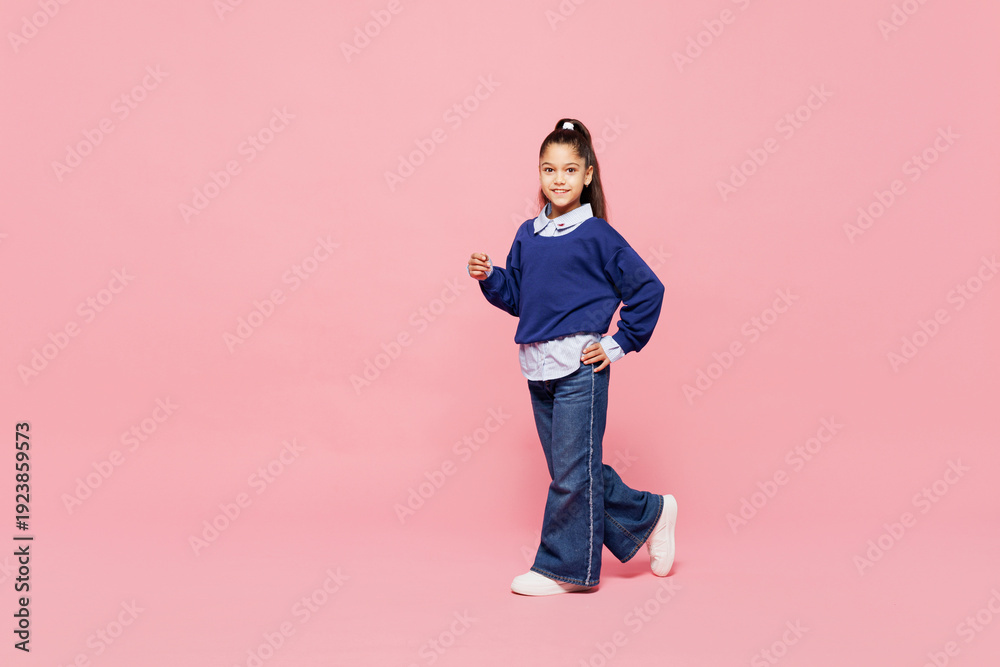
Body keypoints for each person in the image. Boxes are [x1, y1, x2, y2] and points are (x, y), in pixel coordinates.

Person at [467, 118, 677, 596]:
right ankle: (653, 514)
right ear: (539, 173)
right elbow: (520, 298)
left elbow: (648, 289)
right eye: (549, 169)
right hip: (537, 367)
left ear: (587, 175)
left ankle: (563, 570)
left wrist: (617, 344)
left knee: (570, 472)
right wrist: (491, 278)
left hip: (580, 367)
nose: (558, 179)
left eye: (569, 169)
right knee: (573, 470)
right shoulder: (528, 233)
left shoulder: (598, 235)